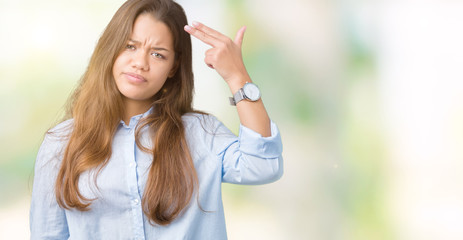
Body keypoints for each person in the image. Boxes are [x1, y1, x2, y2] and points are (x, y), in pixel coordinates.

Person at [29, 0, 283, 239]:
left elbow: (263, 165)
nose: (140, 63)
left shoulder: (201, 133)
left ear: (173, 67)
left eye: (158, 54)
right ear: (110, 48)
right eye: (130, 46)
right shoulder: (60, 143)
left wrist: (237, 76)